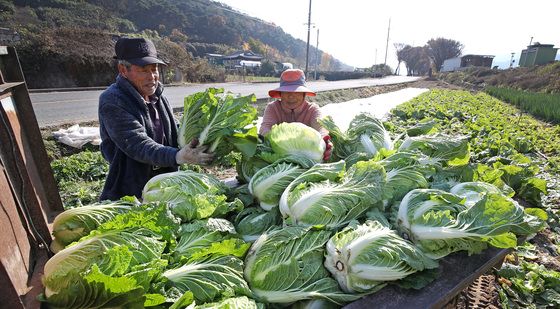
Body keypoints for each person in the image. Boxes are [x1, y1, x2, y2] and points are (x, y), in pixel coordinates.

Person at [98, 37, 212, 201]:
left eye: (154, 69)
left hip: (166, 185)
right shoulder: (112, 101)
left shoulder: (158, 97)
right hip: (131, 189)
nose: (152, 76)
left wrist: (197, 139)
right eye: (144, 70)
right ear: (123, 70)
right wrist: (178, 156)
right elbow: (137, 144)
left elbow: (172, 130)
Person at [259, 69, 332, 160]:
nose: (291, 96)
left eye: (297, 92)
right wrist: (281, 143)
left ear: (304, 94)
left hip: (308, 159)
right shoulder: (272, 108)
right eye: (286, 92)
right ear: (280, 94)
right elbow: (265, 128)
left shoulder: (312, 110)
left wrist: (325, 141)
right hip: (280, 159)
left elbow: (320, 127)